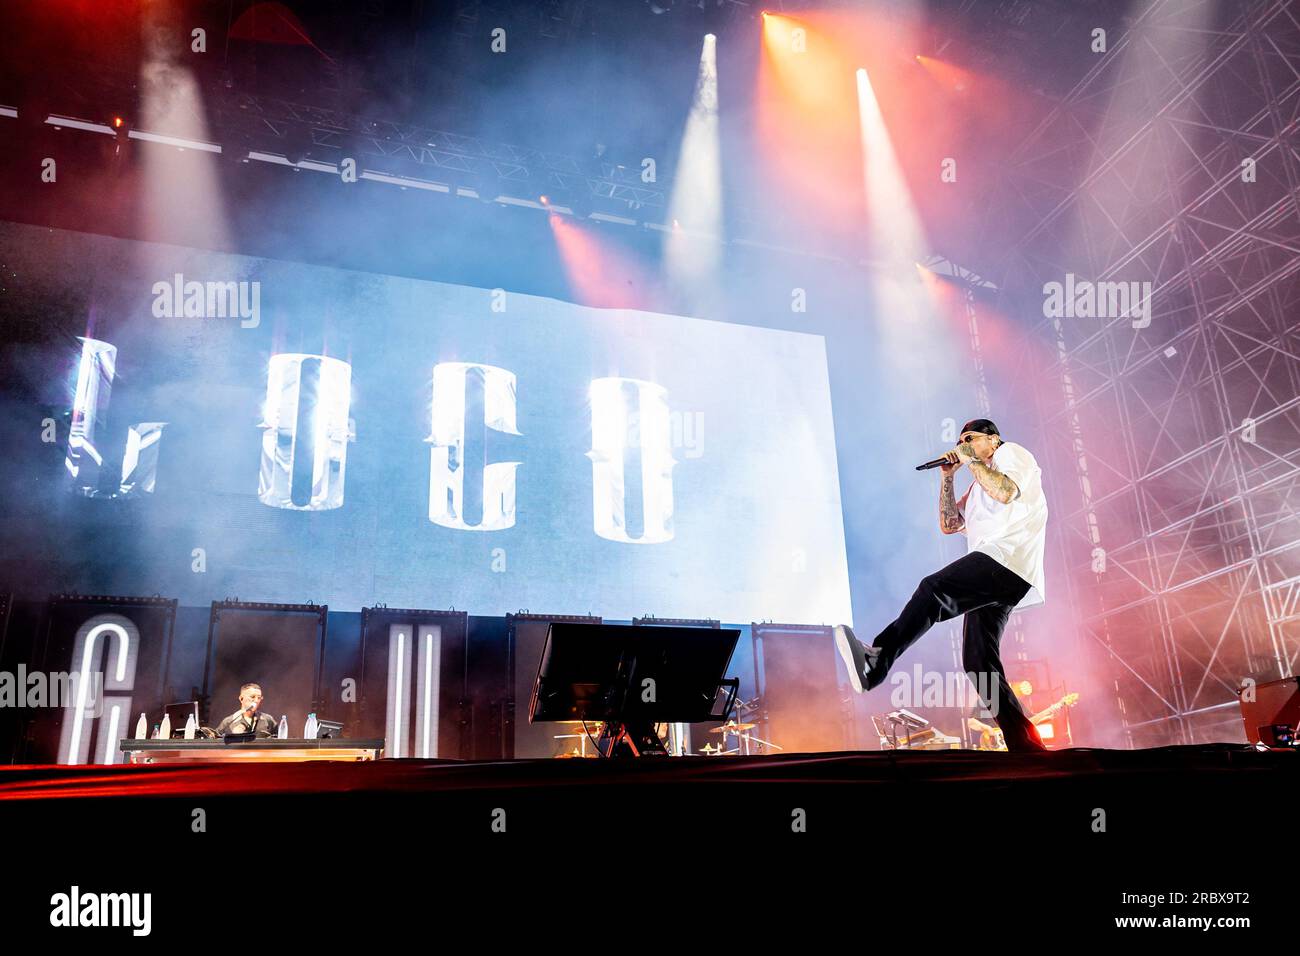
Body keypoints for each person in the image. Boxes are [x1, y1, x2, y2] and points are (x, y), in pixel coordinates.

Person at [835, 418, 1049, 752]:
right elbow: (950, 524)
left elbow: (1007, 492)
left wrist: (971, 459)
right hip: (1000, 573)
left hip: (1007, 560)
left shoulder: (1011, 454)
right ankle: (1026, 745)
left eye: (971, 438)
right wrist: (947, 478)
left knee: (933, 589)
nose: (964, 444)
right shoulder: (978, 482)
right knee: (978, 661)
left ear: (993, 439)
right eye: (960, 440)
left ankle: (877, 661)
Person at [214, 682, 278, 737]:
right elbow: (214, 740)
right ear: (241, 698)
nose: (256, 700)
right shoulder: (228, 722)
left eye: (259, 697)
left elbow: (279, 740)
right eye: (252, 697)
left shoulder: (268, 720)